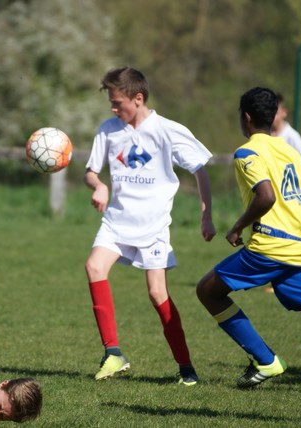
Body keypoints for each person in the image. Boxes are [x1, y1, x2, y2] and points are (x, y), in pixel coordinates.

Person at [196, 87, 301, 389]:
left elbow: (266, 196)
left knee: (208, 291)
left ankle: (266, 360)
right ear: (273, 117)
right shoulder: (289, 152)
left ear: (246, 118)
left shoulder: (246, 153)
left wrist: (237, 227)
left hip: (272, 246)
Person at [84, 66, 216, 385]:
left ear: (138, 98)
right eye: (111, 103)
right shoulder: (108, 130)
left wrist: (206, 214)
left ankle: (186, 368)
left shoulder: (167, 130)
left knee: (157, 294)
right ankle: (113, 353)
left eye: (117, 103)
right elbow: (91, 172)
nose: (113, 109)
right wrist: (98, 185)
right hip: (116, 221)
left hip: (153, 227)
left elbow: (199, 169)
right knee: (94, 267)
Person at [271, 92, 301, 160]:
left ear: (284, 112)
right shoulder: (265, 135)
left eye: (275, 113)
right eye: (269, 113)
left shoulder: (293, 137)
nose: (272, 117)